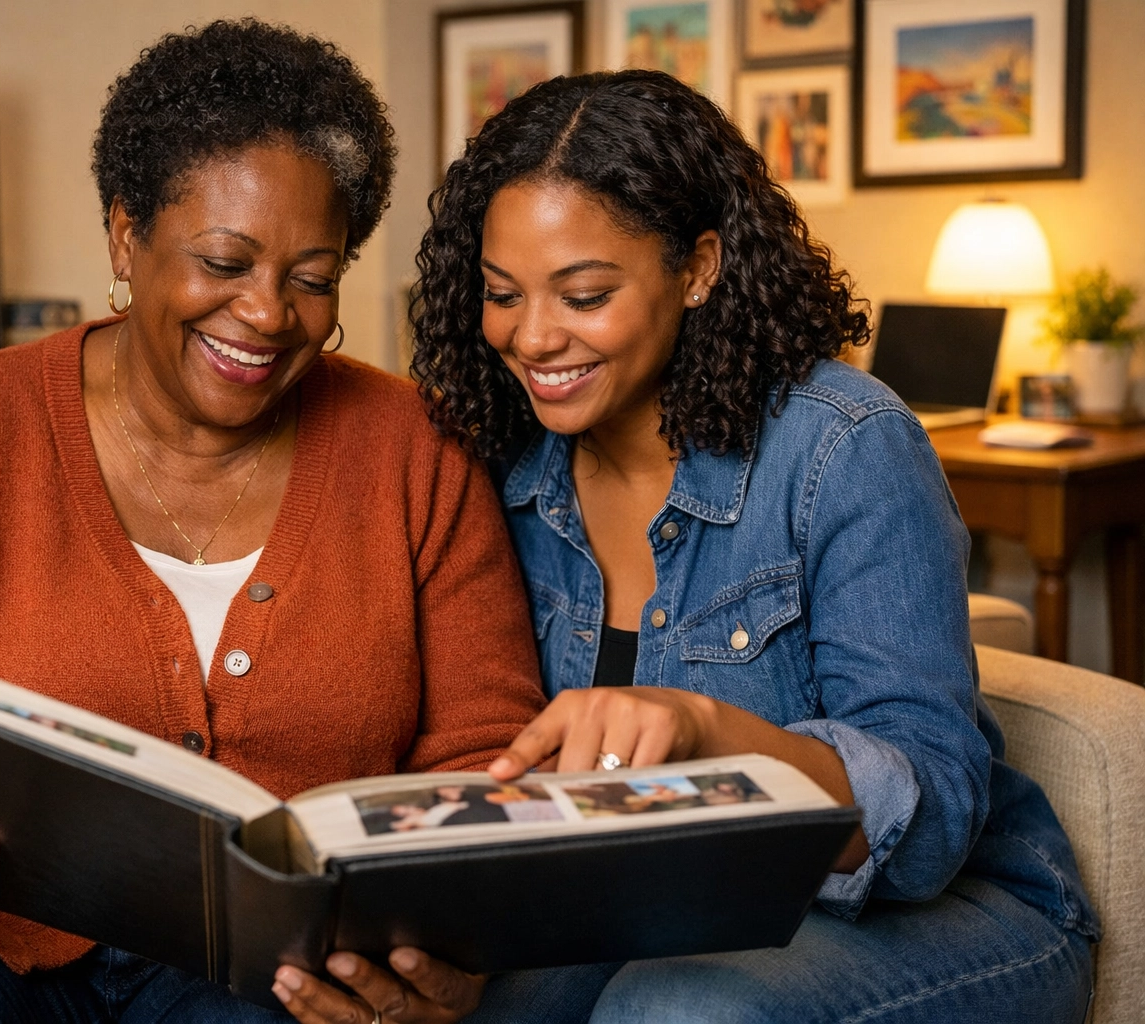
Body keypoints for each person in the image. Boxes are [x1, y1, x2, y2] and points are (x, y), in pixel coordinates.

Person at [0, 20, 579, 1024]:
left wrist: (453, 940)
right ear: (126, 236)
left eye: (312, 278)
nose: (267, 313)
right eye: (224, 262)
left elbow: (483, 755)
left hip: (251, 971)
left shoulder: (416, 450)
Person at [410, 68, 1099, 1022]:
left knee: (678, 1011)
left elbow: (932, 825)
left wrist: (709, 735)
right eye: (501, 294)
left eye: (585, 294)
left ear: (699, 268)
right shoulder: (507, 467)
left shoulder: (844, 447)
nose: (532, 338)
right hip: (663, 903)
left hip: (947, 915)